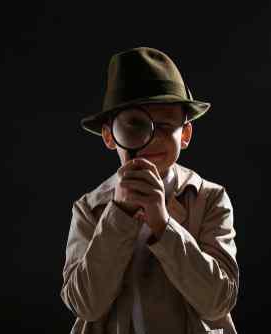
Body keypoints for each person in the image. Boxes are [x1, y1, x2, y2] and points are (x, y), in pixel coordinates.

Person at [60, 46, 239, 334]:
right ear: (109, 135)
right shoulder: (89, 208)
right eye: (134, 124)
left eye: (166, 126)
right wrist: (117, 215)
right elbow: (85, 305)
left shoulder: (210, 199)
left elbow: (218, 302)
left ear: (186, 134)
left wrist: (163, 224)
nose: (150, 139)